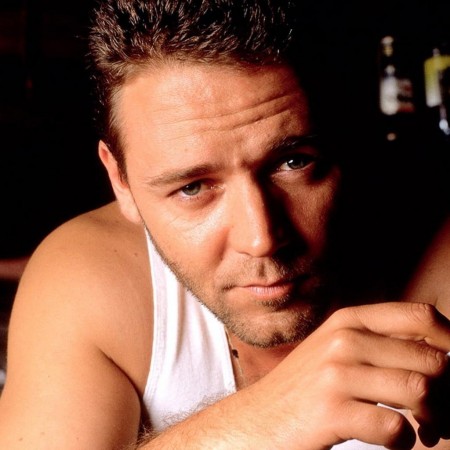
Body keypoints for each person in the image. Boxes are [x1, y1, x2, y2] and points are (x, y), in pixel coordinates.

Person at [0, 1, 449, 449]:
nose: (261, 239)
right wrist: (262, 420)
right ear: (121, 182)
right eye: (193, 188)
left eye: (294, 162)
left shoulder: (435, 249)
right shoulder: (87, 277)